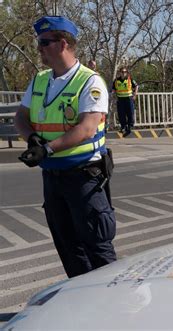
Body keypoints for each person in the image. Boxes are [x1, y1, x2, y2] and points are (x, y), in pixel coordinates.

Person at [14, 16, 117, 278]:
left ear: (62, 44)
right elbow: (20, 117)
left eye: (44, 42)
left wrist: (47, 150)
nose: (39, 48)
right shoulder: (40, 80)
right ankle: (82, 307)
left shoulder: (90, 82)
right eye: (39, 42)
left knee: (97, 247)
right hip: (53, 178)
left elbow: (86, 128)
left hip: (84, 177)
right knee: (69, 249)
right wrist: (32, 139)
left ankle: (115, 309)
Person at [111, 66, 138, 137]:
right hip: (120, 99)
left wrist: (135, 94)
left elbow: (136, 86)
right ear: (120, 72)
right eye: (122, 72)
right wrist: (113, 97)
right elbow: (113, 89)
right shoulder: (116, 80)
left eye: (125, 72)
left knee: (130, 113)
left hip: (128, 99)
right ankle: (123, 127)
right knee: (121, 114)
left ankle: (129, 127)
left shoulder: (130, 79)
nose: (124, 73)